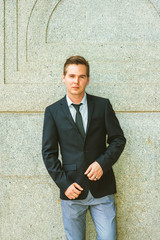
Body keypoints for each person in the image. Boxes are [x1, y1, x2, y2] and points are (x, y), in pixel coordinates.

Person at [42, 56, 126, 240]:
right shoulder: (53, 111)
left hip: (102, 188)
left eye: (81, 76)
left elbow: (118, 139)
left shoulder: (102, 105)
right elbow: (49, 153)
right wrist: (64, 184)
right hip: (72, 189)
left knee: (109, 237)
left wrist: (101, 164)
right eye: (72, 76)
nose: (76, 81)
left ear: (88, 79)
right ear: (63, 77)